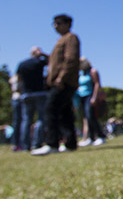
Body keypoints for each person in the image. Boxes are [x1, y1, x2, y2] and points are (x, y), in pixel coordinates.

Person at [32, 14, 80, 155]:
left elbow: (71, 59)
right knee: (65, 113)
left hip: (63, 82)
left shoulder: (71, 38)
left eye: (58, 23)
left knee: (50, 109)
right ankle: (70, 143)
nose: (55, 26)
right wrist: (45, 56)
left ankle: (52, 143)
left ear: (67, 24)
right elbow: (57, 60)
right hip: (61, 81)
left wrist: (61, 77)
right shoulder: (61, 40)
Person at [17, 46, 49, 151]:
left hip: (26, 94)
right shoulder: (39, 62)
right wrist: (42, 54)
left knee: (26, 120)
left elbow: (18, 79)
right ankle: (37, 143)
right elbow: (51, 60)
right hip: (39, 93)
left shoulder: (22, 64)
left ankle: (25, 145)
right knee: (41, 119)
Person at [76, 58, 106, 147]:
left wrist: (94, 97)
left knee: (91, 116)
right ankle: (91, 137)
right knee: (86, 117)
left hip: (90, 95)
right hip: (82, 96)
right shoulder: (81, 73)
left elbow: (97, 84)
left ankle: (100, 136)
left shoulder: (93, 71)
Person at [8, 73, 22, 152]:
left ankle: (19, 143)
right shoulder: (16, 78)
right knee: (17, 122)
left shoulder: (14, 78)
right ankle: (16, 143)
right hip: (18, 98)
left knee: (20, 122)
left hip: (18, 98)